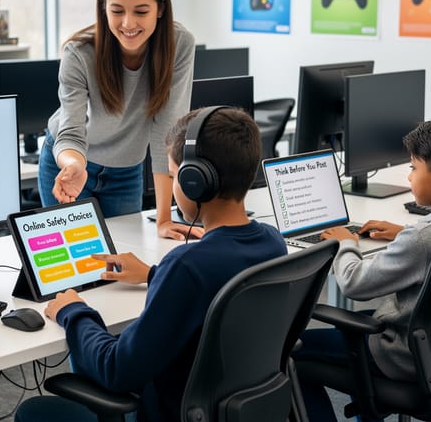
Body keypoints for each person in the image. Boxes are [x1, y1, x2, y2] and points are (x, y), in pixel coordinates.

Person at [15, 107, 287, 422]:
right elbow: (215, 281)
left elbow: (116, 369)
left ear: (195, 182)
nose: (173, 185)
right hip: (236, 410)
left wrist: (73, 311)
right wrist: (153, 274)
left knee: (33, 412)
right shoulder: (272, 242)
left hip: (167, 413)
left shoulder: (186, 266)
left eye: (173, 175)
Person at [293, 113, 431, 421]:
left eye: (414, 168)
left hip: (403, 354)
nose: (409, 177)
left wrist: (346, 243)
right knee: (352, 332)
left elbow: (353, 284)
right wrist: (405, 232)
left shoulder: (425, 237)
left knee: (292, 351)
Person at [38, 0, 200, 240]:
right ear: (104, 7)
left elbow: (166, 131)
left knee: (125, 253)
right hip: (71, 164)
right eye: (117, 11)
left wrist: (164, 218)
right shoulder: (79, 53)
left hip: (126, 171)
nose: (128, 23)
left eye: (141, 11)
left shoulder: (180, 44)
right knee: (74, 257)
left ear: (160, 8)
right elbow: (71, 132)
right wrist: (75, 165)